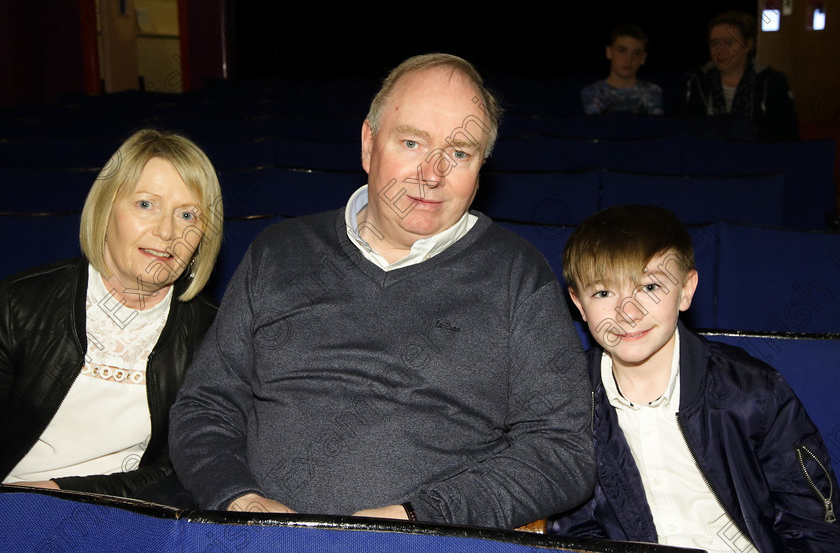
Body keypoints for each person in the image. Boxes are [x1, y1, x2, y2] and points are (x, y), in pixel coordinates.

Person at [168, 53, 594, 530]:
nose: (432, 174)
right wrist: (239, 501)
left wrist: (421, 518)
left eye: (459, 152)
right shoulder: (279, 252)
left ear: (480, 169)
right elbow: (206, 405)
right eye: (412, 142)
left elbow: (563, 450)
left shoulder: (517, 275)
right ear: (369, 145)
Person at [547, 205, 840, 552]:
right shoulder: (567, 403)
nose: (628, 313)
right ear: (579, 305)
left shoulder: (753, 393)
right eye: (603, 293)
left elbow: (813, 529)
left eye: (650, 287)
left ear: (685, 291)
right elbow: (576, 531)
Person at [1, 129, 223, 503]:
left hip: (125, 513)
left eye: (187, 215)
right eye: (145, 205)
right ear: (107, 209)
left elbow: (184, 466)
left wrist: (60, 492)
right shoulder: (16, 306)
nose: (167, 232)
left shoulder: (214, 334)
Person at [683, 10, 799, 141]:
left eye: (729, 43)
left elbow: (787, 136)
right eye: (715, 43)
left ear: (747, 45)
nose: (720, 51)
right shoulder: (695, 81)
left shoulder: (771, 82)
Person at [581, 24, 664, 116]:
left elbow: (655, 127)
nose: (628, 59)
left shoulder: (652, 92)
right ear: (609, 52)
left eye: (636, 53)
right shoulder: (593, 92)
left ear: (643, 58)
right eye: (622, 51)